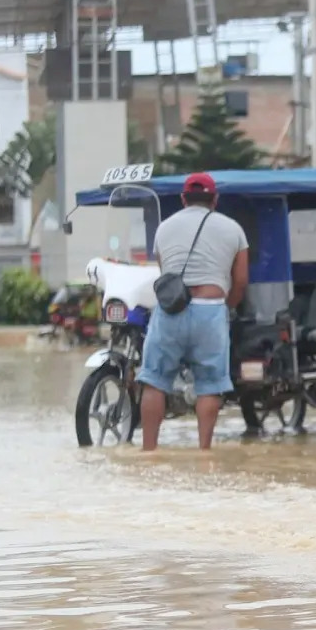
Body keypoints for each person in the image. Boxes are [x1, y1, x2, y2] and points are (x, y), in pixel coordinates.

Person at [137, 172, 250, 451]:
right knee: (210, 385)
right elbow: (241, 281)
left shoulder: (163, 228)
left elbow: (166, 275)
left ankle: (149, 451)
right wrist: (229, 306)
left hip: (171, 311)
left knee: (154, 381)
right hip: (210, 312)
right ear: (215, 199)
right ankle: (203, 452)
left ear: (183, 198)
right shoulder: (234, 229)